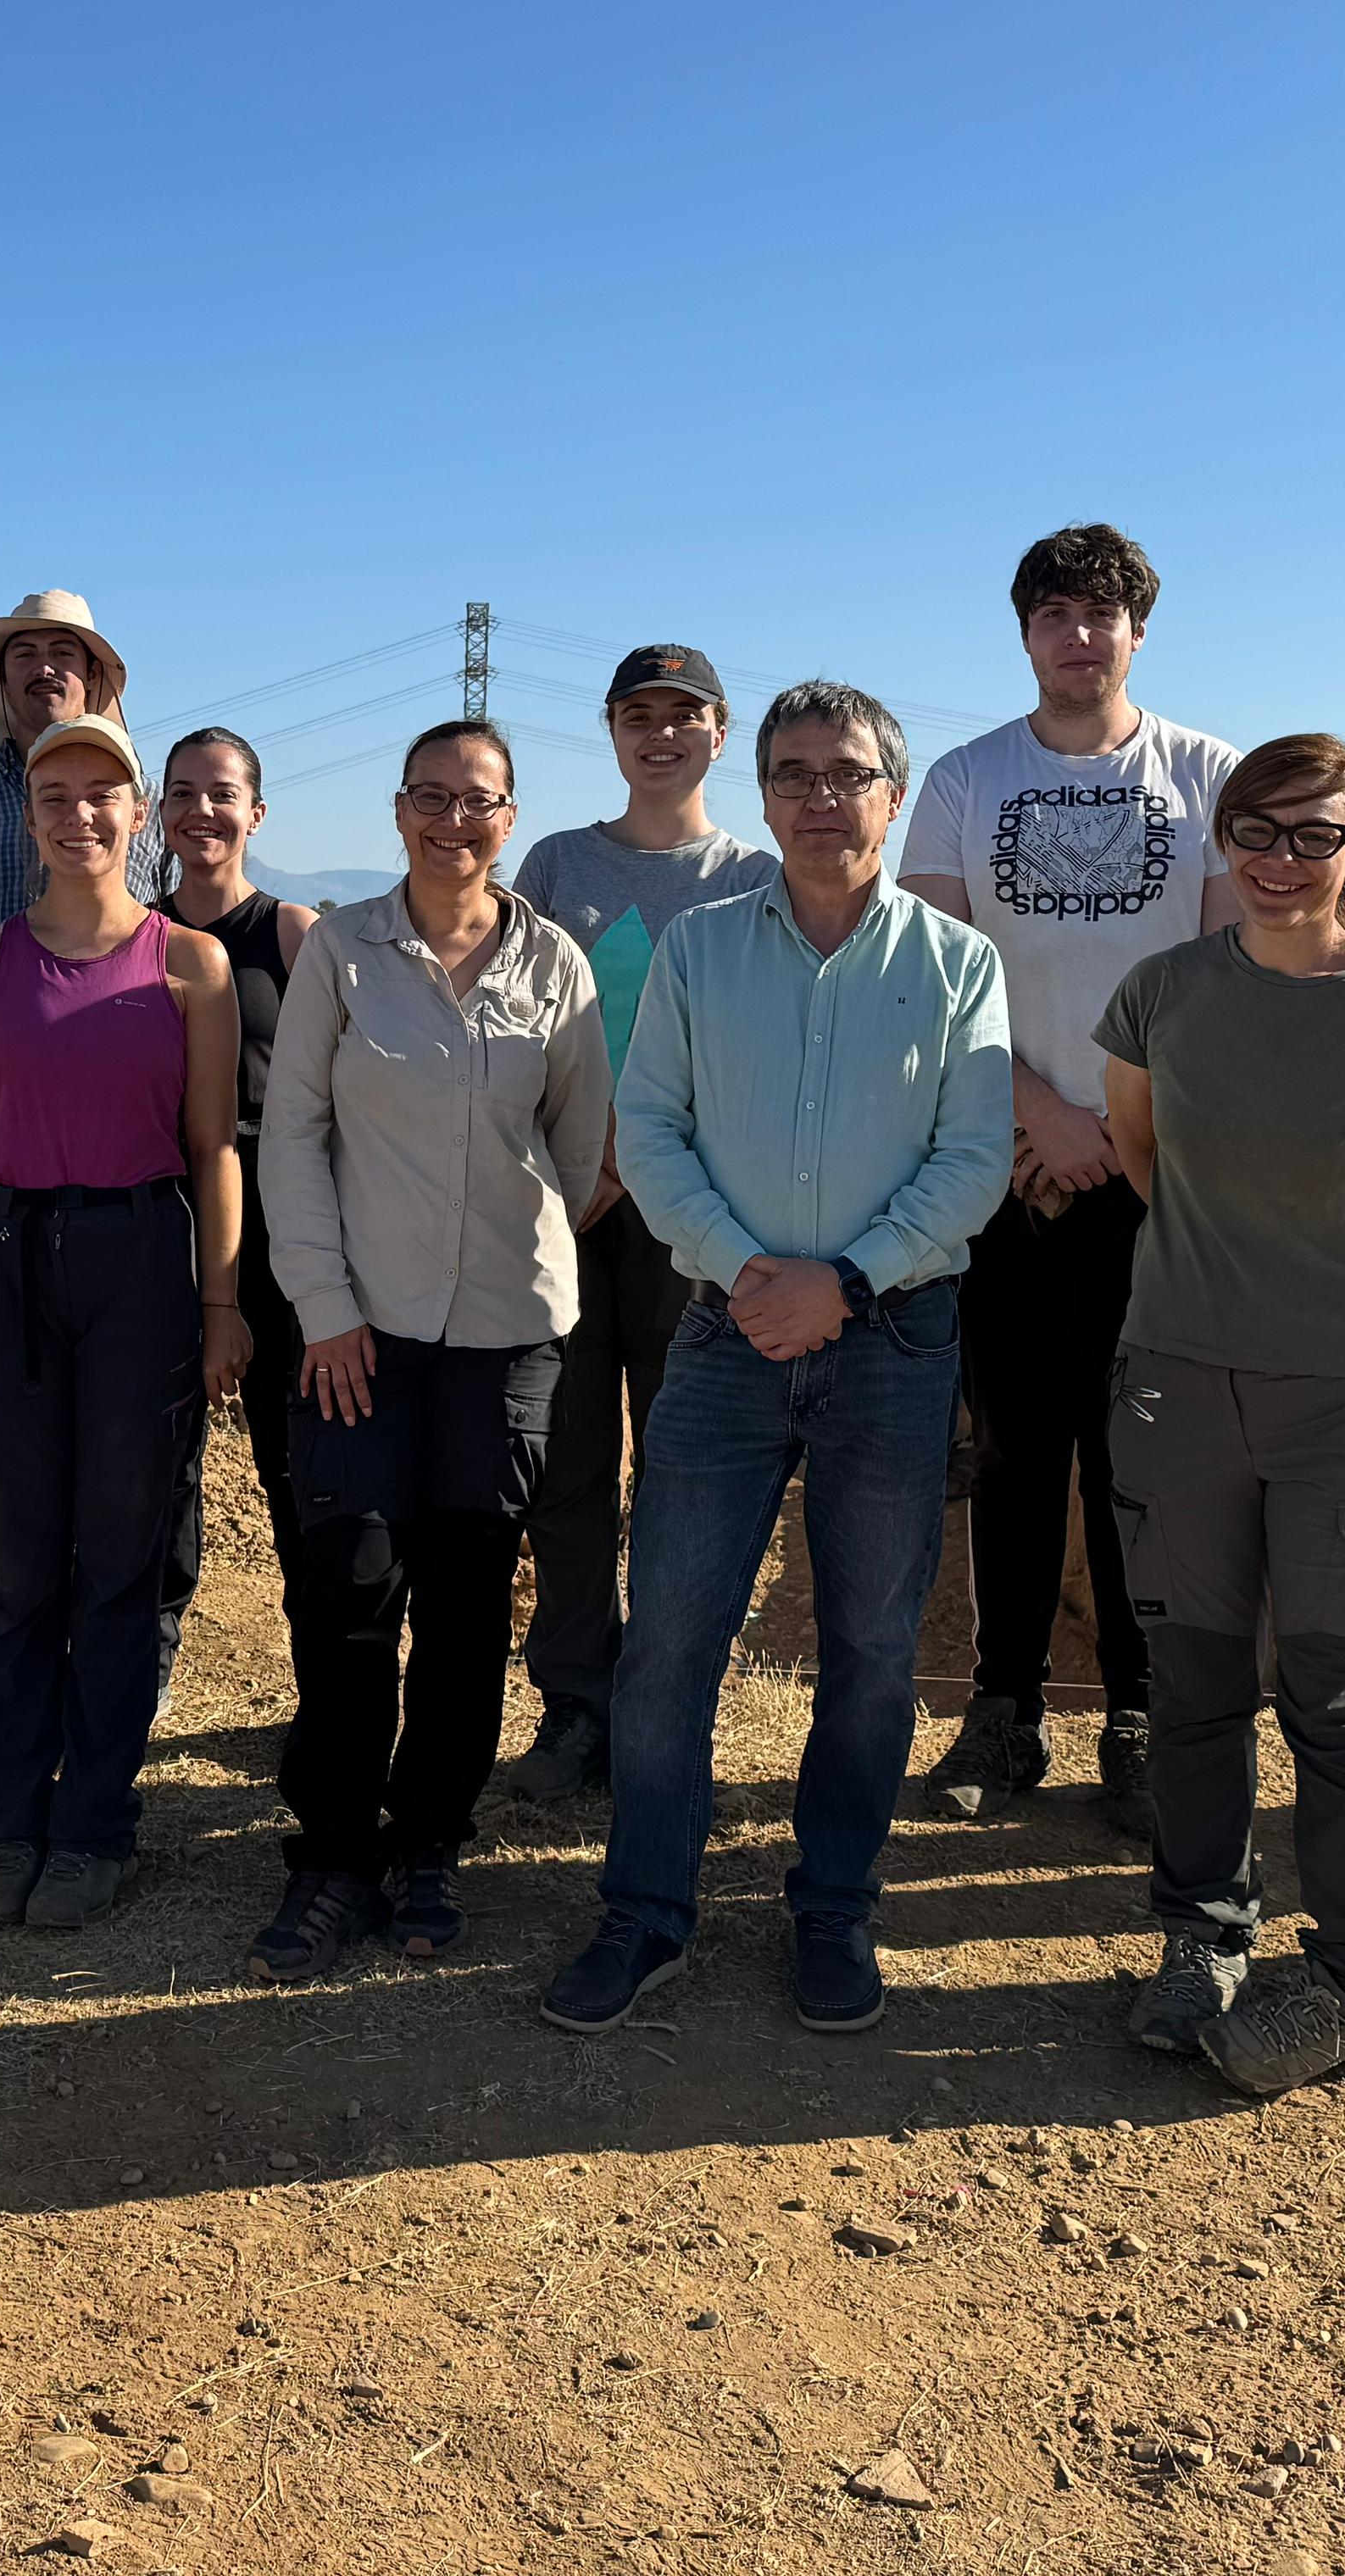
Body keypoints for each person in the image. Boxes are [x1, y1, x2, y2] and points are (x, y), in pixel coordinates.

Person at [543, 682, 1011, 2040]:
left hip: (894, 1337)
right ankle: (644, 1914)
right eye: (794, 773)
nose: (820, 796)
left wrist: (847, 1282)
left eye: (847, 773)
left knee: (869, 1648)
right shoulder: (699, 951)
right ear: (763, 796)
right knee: (671, 1646)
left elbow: (973, 1156)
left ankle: (834, 1908)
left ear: (891, 794)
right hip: (727, 1336)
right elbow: (653, 1129)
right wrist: (755, 1279)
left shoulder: (956, 963)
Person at [1098, 736, 1345, 2100]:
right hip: (1178, 1386)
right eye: (1256, 833)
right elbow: (1143, 1156)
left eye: (1312, 836)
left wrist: (1322, 1294)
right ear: (1223, 840)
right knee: (1194, 1690)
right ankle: (1203, 1938)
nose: (1279, 861)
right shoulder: (1161, 994)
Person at [0, 718, 249, 1934]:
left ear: (138, 815)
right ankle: (12, 1821)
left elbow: (212, 1148)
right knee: (22, 1563)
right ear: (22, 818)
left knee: (120, 1565)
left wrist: (225, 1305)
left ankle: (95, 1828)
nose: (78, 813)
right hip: (4, 1260)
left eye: (102, 794)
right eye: (54, 794)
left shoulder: (192, 966)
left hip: (142, 1262)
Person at [250, 723, 609, 1979]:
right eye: (434, 797)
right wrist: (325, 1305)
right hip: (361, 1336)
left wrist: (518, 1255)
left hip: (508, 1341)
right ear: (398, 810)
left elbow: (577, 1151)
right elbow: (289, 1137)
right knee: (347, 1600)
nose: (456, 819)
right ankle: (336, 1859)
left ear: (511, 819)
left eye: (481, 801)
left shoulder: (556, 965)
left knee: (465, 1612)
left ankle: (432, 1847)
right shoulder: (343, 953)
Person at [899, 524, 1241, 1838]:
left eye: (1104, 612)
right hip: (1013, 1173)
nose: (1080, 633)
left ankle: (1141, 1715)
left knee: (1142, 1460)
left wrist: (1115, 1125)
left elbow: (1221, 979)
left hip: (1160, 1178)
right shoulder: (964, 781)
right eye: (1055, 611)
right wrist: (1040, 1116)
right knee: (1021, 1452)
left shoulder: (1207, 773)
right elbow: (941, 976)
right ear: (1025, 631)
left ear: (1137, 632)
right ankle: (1006, 1708)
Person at [497, 641, 778, 1804]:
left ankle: (668, 1709)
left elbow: (762, 1048)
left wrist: (645, 1161)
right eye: (638, 716)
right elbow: (521, 1029)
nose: (661, 736)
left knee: (684, 1475)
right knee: (566, 1470)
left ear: (720, 731)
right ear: (610, 731)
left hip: (694, 1225)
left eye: (684, 716)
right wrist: (584, 1162)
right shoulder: (559, 863)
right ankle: (575, 1707)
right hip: (567, 1217)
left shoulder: (754, 875)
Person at [158, 725, 316, 1524]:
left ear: (257, 813)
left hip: (278, 1219)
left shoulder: (294, 933)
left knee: (297, 1466)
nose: (202, 809)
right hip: (158, 1215)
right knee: (160, 1469)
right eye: (183, 793)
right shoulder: (135, 937)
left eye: (222, 793)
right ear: (158, 811)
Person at [0, 590, 158, 929]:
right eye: (24, 655)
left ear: (93, 674)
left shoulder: (151, 802)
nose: (43, 667)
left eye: (62, 653)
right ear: (4, 682)